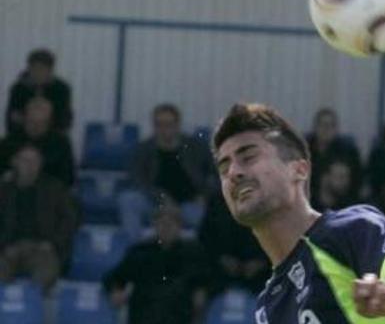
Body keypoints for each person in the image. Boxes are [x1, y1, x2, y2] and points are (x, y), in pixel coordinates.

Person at [211, 103, 385, 324]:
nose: (233, 172)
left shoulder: (350, 228)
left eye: (248, 157)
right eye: (224, 167)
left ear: (299, 170)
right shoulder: (269, 306)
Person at [117, 103, 215, 240]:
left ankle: (199, 255)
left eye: (168, 124)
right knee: (127, 200)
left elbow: (214, 174)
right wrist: (162, 199)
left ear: (177, 125)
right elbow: (136, 179)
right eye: (159, 124)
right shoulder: (143, 149)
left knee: (211, 214)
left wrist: (204, 195)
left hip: (188, 204)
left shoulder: (195, 147)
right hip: (155, 203)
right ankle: (136, 249)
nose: (164, 129)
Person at [104, 206, 213, 324]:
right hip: (144, 313)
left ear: (179, 227)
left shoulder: (193, 253)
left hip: (178, 313)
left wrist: (202, 291)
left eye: (170, 224)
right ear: (155, 226)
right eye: (162, 224)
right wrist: (116, 290)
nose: (166, 229)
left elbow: (207, 279)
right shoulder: (140, 252)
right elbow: (114, 277)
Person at [0, 145, 77, 293]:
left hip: (43, 249)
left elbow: (70, 219)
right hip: (8, 248)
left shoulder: (55, 188)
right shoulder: (4, 189)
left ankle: (31, 312)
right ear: (15, 162)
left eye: (35, 161)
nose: (30, 165)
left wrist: (53, 243)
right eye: (25, 160)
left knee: (44, 276)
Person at [198, 190, 270, 295]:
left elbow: (281, 240)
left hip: (262, 276)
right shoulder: (218, 202)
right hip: (219, 275)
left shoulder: (270, 200)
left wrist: (261, 262)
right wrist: (221, 258)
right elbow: (205, 239)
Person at [0, 97, 76, 187]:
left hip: (49, 192)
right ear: (24, 119)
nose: (36, 127)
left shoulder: (61, 144)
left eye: (42, 123)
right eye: (32, 122)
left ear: (50, 122)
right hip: (15, 192)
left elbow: (68, 178)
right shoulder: (9, 141)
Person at [5, 48, 73, 135]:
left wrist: (40, 124)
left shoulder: (62, 89)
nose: (37, 73)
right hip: (22, 136)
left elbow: (65, 121)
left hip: (52, 136)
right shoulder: (18, 88)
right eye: (34, 69)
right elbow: (11, 120)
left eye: (42, 69)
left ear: (51, 70)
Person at [306, 108, 362, 198]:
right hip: (311, 197)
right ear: (315, 127)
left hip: (341, 198)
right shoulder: (304, 149)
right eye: (322, 124)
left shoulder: (348, 151)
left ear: (336, 129)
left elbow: (356, 181)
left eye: (331, 125)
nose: (326, 129)